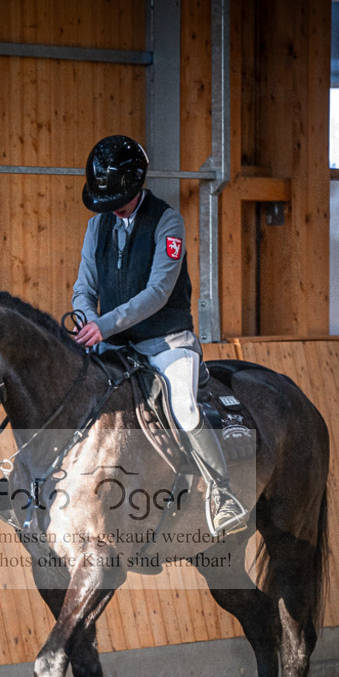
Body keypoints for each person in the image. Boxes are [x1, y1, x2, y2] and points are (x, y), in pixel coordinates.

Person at [71, 134, 247, 537]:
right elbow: (83, 287)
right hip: (113, 343)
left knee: (183, 407)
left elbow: (157, 293)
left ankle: (223, 494)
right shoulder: (96, 224)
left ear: (134, 187)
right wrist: (86, 321)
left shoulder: (168, 222)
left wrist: (106, 323)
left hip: (165, 340)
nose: (109, 211)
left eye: (114, 201)